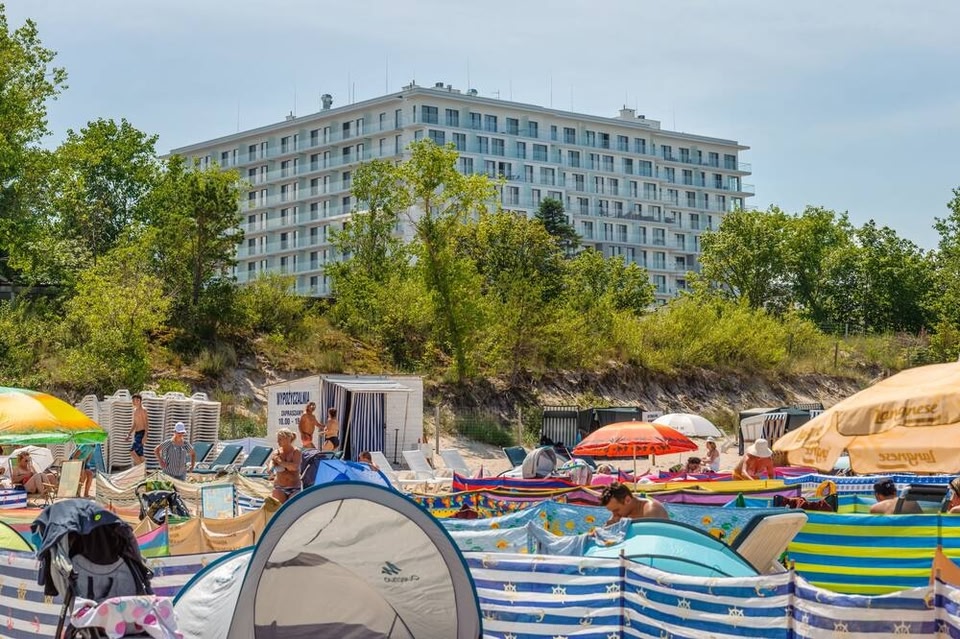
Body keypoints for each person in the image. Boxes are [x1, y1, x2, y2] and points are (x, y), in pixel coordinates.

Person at [600, 481, 669, 525]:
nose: (614, 515)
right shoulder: (621, 512)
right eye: (612, 511)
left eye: (616, 510)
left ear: (627, 500)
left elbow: (654, 538)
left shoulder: (651, 510)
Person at [270, 428, 302, 504]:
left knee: (292, 507)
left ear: (288, 439)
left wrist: (280, 461)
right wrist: (271, 469)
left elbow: (294, 467)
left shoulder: (296, 452)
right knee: (279, 508)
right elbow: (271, 464)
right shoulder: (277, 452)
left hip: (294, 487)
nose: (278, 441)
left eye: (280, 439)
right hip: (279, 487)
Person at [127, 393, 149, 465]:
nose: (134, 402)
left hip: (141, 433)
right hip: (136, 433)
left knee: (132, 451)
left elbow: (146, 423)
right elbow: (134, 424)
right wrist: (129, 434)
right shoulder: (135, 410)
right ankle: (144, 470)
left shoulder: (143, 410)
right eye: (133, 400)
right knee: (140, 454)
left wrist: (145, 435)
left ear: (140, 401)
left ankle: (141, 468)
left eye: (136, 400)